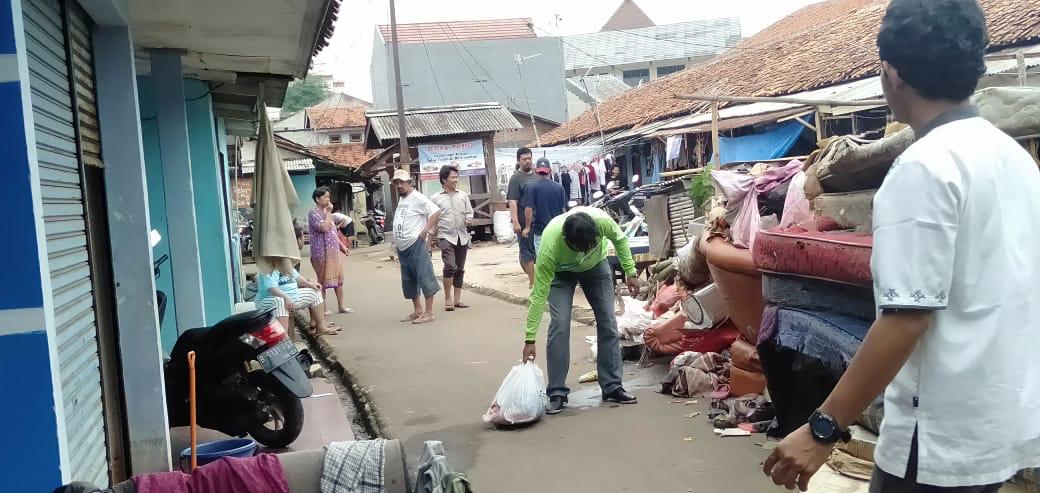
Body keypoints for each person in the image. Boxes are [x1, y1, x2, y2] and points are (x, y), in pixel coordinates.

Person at [763, 1, 1040, 492]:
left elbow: (907, 316)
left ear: (891, 72)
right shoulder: (1014, 159)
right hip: (1001, 422)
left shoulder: (923, 168)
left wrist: (823, 427)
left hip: (936, 437)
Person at [522, 207, 641, 414]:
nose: (583, 253)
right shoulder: (550, 247)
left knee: (608, 322)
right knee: (559, 324)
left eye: (589, 246)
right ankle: (557, 392)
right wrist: (530, 339)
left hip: (596, 268)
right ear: (567, 240)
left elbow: (620, 239)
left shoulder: (602, 222)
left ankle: (612, 386)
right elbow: (538, 295)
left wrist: (630, 271)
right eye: (580, 249)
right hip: (561, 273)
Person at [390, 168, 442, 325]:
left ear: (409, 182)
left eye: (402, 182)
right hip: (402, 245)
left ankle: (429, 312)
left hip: (415, 243)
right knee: (408, 279)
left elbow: (435, 211)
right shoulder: (402, 199)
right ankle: (418, 310)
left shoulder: (417, 197)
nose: (399, 185)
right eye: (396, 183)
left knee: (424, 275)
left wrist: (425, 231)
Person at [430, 165, 475, 312]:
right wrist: (430, 237)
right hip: (445, 235)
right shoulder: (435, 198)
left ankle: (457, 300)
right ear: (444, 179)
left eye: (457, 177)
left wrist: (469, 219)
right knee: (450, 265)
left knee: (460, 268)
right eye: (453, 177)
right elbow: (432, 219)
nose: (456, 180)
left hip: (462, 235)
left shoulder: (462, 195)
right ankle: (447, 297)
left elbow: (469, 212)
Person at [254, 267, 338, 341]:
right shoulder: (269, 268)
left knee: (315, 292)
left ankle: (321, 326)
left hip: (291, 296)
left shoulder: (286, 265)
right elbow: (272, 288)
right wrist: (286, 298)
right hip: (268, 299)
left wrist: (310, 285)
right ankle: (284, 339)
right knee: (280, 301)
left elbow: (298, 278)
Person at [308, 187, 351, 315]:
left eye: (329, 197)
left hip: (333, 253)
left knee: (339, 279)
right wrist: (328, 213)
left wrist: (342, 246)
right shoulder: (313, 213)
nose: (328, 200)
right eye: (325, 197)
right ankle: (323, 309)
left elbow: (332, 232)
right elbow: (324, 228)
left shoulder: (328, 214)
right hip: (321, 253)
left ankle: (341, 306)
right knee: (322, 281)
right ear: (317, 199)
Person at [507, 147, 539, 288]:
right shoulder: (516, 178)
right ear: (518, 161)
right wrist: (515, 221)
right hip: (523, 220)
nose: (527, 162)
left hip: (540, 219)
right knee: (527, 251)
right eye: (524, 159)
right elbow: (512, 201)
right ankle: (533, 283)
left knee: (539, 251)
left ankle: (536, 278)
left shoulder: (538, 175)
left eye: (529, 159)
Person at [522, 158, 567, 254]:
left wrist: (527, 227)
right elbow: (564, 210)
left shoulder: (532, 187)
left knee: (543, 260)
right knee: (558, 258)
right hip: (557, 230)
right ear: (550, 171)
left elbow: (528, 208)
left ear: (536, 171)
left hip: (541, 231)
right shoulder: (559, 187)